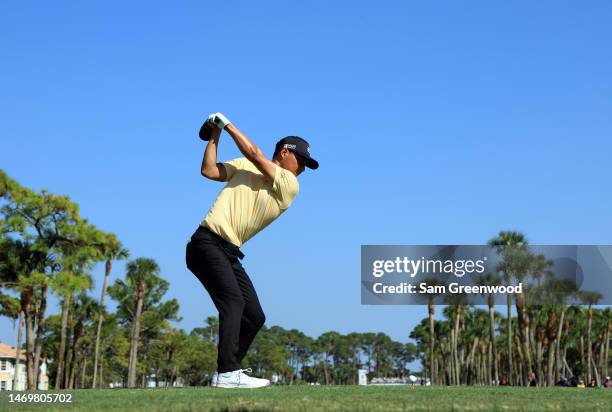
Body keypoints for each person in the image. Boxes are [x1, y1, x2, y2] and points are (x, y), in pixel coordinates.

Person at [186, 113, 319, 389]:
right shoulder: (245, 165)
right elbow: (209, 170)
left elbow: (256, 154)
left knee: (255, 316)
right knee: (233, 303)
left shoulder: (289, 184)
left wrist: (226, 123)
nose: (303, 169)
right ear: (285, 153)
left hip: (229, 251)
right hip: (206, 243)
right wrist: (216, 133)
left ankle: (229, 371)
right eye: (302, 162)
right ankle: (227, 373)